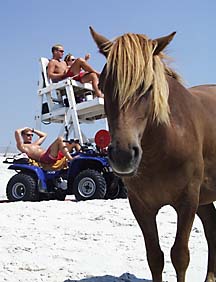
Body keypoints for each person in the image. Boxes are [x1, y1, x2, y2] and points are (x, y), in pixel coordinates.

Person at [15, 127, 81, 165]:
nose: (30, 137)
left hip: (52, 154)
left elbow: (44, 135)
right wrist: (25, 128)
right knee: (59, 139)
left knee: (75, 142)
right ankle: (71, 160)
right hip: (45, 158)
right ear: (23, 136)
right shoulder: (22, 146)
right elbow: (17, 132)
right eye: (28, 135)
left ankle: (82, 156)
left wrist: (32, 130)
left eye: (31, 135)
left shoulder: (35, 144)